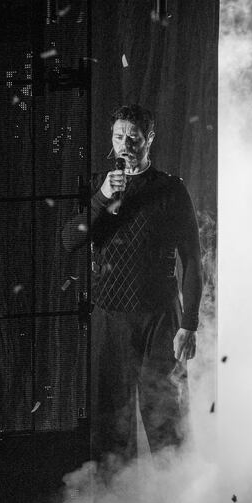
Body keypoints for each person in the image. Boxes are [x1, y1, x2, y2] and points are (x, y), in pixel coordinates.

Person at [62, 104, 203, 464]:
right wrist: (101, 198)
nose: (125, 143)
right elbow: (68, 241)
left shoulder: (171, 189)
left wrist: (189, 323)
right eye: (119, 136)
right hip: (112, 317)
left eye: (133, 137)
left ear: (149, 139)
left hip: (159, 316)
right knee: (112, 423)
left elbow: (192, 259)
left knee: (165, 414)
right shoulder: (99, 184)